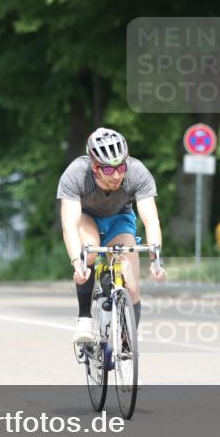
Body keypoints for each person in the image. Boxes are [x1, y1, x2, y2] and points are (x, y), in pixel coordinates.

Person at [57, 128, 166, 350]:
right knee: (90, 251)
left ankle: (127, 342)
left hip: (120, 219)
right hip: (87, 218)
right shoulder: (76, 173)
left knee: (133, 286)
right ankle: (85, 319)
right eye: (108, 169)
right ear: (95, 167)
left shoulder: (137, 172)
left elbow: (151, 220)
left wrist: (156, 259)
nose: (116, 175)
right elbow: (69, 224)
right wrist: (77, 263)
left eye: (120, 167)